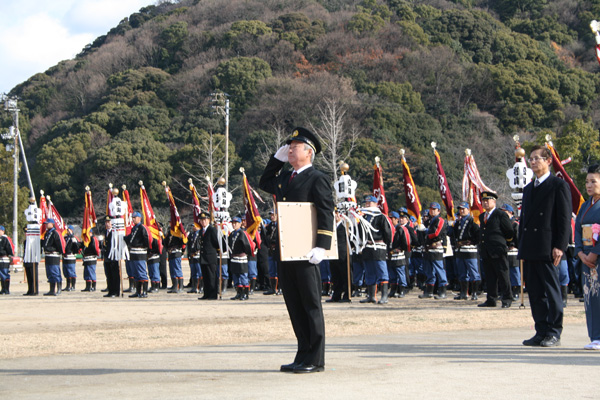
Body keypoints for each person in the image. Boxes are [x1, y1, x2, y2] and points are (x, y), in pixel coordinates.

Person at [259, 127, 334, 374]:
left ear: (309, 153)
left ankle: (316, 358)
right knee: (294, 304)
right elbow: (264, 182)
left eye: (295, 147)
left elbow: (325, 212)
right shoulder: (284, 178)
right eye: (289, 147)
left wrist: (322, 246)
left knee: (311, 304)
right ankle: (303, 355)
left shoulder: (317, 178)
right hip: (286, 249)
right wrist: (276, 160)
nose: (290, 150)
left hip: (307, 251)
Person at [518, 145, 571, 347]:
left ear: (548, 161)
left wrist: (560, 245)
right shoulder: (529, 189)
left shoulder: (558, 185)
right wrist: (521, 245)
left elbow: (564, 219)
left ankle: (554, 331)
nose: (532, 162)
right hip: (531, 247)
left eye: (537, 158)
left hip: (548, 247)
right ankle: (541, 330)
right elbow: (523, 221)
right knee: (535, 291)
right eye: (530, 158)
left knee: (551, 290)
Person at [574, 164, 600, 350]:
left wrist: (595, 252)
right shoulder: (584, 206)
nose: (589, 185)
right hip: (586, 257)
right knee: (590, 296)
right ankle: (595, 335)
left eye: (593, 181)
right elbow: (577, 231)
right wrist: (581, 253)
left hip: (597, 255)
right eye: (587, 181)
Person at [477, 191, 514, 308]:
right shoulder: (482, 216)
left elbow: (509, 231)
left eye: (488, 200)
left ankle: (507, 298)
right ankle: (491, 299)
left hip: (498, 250)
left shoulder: (500, 214)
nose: (485, 203)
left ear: (494, 201)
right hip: (486, 250)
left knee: (503, 275)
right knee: (490, 277)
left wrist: (507, 244)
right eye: (483, 201)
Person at [359, 195, 393, 304]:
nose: (368, 205)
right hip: (367, 247)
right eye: (366, 203)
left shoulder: (381, 217)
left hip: (379, 247)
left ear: (376, 204)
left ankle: (384, 296)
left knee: (381, 270)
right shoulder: (364, 217)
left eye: (370, 203)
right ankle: (371, 296)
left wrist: (388, 246)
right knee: (369, 272)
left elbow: (388, 233)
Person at [419, 202, 448, 299]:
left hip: (436, 248)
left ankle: (443, 290)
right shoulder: (428, 221)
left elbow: (436, 233)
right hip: (428, 248)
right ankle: (429, 291)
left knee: (439, 269)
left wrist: (426, 231)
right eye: (431, 209)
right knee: (428, 271)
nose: (432, 211)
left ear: (439, 211)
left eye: (434, 209)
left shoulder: (440, 220)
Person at [453, 201, 480, 300]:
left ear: (468, 210)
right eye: (460, 209)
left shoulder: (473, 221)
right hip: (460, 250)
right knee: (462, 272)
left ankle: (475, 293)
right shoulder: (458, 222)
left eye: (463, 209)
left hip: (470, 250)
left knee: (473, 272)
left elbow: (478, 235)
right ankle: (464, 293)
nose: (461, 211)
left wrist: (472, 242)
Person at [124, 211, 151, 298]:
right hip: (133, 253)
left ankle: (145, 292)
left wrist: (146, 248)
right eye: (133, 218)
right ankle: (138, 292)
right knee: (135, 273)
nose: (133, 219)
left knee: (142, 272)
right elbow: (130, 239)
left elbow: (146, 239)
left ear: (140, 218)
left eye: (135, 218)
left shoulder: (142, 228)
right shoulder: (134, 228)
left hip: (140, 252)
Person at [228, 216, 254, 300]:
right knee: (235, 275)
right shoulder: (232, 234)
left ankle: (245, 293)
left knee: (243, 275)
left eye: (236, 223)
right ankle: (238, 293)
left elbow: (247, 245)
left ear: (240, 224)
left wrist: (245, 253)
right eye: (233, 223)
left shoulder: (242, 233)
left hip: (241, 257)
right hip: (234, 258)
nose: (234, 225)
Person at [501, 204, 521, 301]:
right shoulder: (501, 223)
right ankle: (507, 292)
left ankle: (516, 291)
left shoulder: (515, 224)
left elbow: (518, 238)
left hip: (513, 251)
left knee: (514, 272)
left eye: (505, 212)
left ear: (511, 213)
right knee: (505, 272)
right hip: (503, 250)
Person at [198, 212, 220, 300]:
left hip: (211, 257)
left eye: (205, 220)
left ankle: (213, 294)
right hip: (203, 257)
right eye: (201, 220)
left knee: (212, 276)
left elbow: (216, 243)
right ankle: (206, 293)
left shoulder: (212, 230)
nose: (203, 222)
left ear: (209, 220)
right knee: (205, 276)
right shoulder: (201, 231)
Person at [23, 198, 42, 296]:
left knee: (33, 274)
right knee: (29, 274)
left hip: (33, 257)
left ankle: (34, 290)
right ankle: (30, 289)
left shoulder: (34, 239)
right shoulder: (26, 240)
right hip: (27, 259)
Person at [43, 219, 64, 296]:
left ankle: (59, 289)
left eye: (47, 223)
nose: (46, 225)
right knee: (49, 273)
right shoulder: (47, 233)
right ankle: (51, 290)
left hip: (54, 255)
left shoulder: (55, 233)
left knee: (55, 272)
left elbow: (59, 243)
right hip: (48, 255)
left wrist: (61, 252)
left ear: (52, 224)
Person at [102, 217, 120, 298]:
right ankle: (110, 290)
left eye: (109, 222)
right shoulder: (105, 232)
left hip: (113, 256)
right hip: (106, 256)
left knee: (114, 275)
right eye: (106, 222)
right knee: (108, 274)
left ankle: (116, 291)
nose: (107, 224)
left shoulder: (115, 232)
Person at [62, 225, 80, 291]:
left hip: (71, 256)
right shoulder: (66, 238)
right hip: (65, 256)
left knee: (71, 271)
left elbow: (76, 247)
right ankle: (67, 286)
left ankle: (73, 286)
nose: (67, 231)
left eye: (69, 229)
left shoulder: (73, 238)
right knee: (66, 272)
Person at [187, 223, 202, 294]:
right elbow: (189, 244)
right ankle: (194, 287)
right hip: (192, 255)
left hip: (198, 255)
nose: (193, 227)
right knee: (193, 272)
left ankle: (201, 287)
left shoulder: (201, 234)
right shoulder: (191, 235)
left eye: (195, 226)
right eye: (193, 226)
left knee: (200, 272)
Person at [0, 225, 14, 295]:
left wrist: (10, 256)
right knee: (1, 274)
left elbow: (10, 248)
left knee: (4, 273)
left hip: (4, 258)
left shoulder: (5, 239)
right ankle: (3, 288)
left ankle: (6, 289)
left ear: (3, 231)